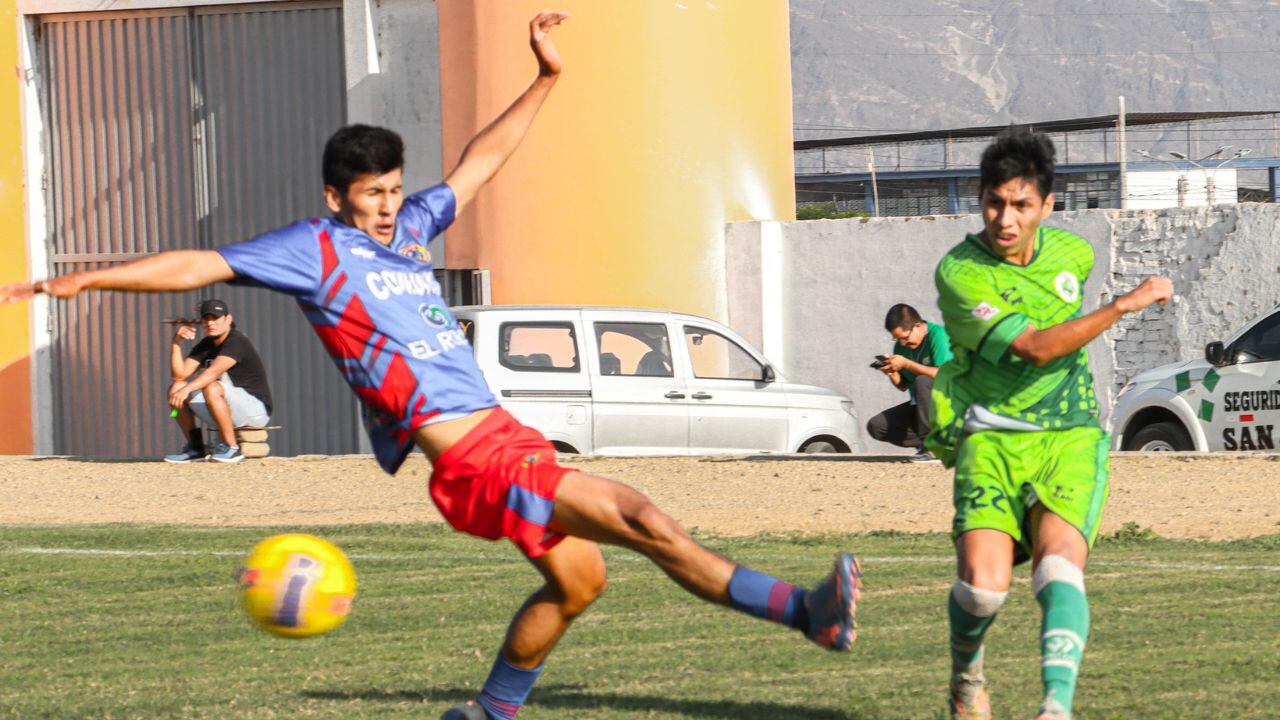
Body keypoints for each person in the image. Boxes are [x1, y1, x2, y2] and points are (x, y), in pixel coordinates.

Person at [1, 13, 861, 720]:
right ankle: (806, 614)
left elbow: (481, 163)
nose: (385, 208)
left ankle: (488, 713)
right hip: (470, 456)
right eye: (369, 194)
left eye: (392, 190)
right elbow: (201, 264)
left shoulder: (411, 232)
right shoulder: (314, 251)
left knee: (577, 581)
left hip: (506, 433)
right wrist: (84, 278)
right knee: (641, 516)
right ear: (336, 197)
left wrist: (547, 79)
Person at [925, 128, 1172, 720]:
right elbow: (1035, 347)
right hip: (990, 437)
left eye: (1020, 205)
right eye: (993, 202)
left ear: (1047, 206)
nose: (1004, 219)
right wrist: (1121, 306)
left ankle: (1055, 709)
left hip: (1070, 437)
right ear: (978, 199)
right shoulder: (961, 273)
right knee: (983, 588)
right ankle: (966, 677)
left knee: (1059, 565)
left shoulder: (1073, 255)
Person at [166, 298, 273, 464]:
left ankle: (232, 448)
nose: (210, 323)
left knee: (211, 386)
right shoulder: (207, 345)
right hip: (222, 406)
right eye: (206, 319)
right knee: (175, 388)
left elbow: (213, 371)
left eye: (215, 318)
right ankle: (196, 448)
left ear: (228, 319)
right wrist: (176, 342)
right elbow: (179, 375)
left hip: (255, 409)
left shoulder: (237, 341)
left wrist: (187, 390)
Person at [866, 303, 952, 461]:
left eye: (905, 337)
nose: (903, 343)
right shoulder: (900, 348)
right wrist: (892, 373)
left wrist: (907, 364)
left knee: (923, 381)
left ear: (918, 326)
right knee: (877, 426)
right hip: (924, 410)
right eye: (898, 339)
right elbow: (904, 385)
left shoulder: (938, 335)